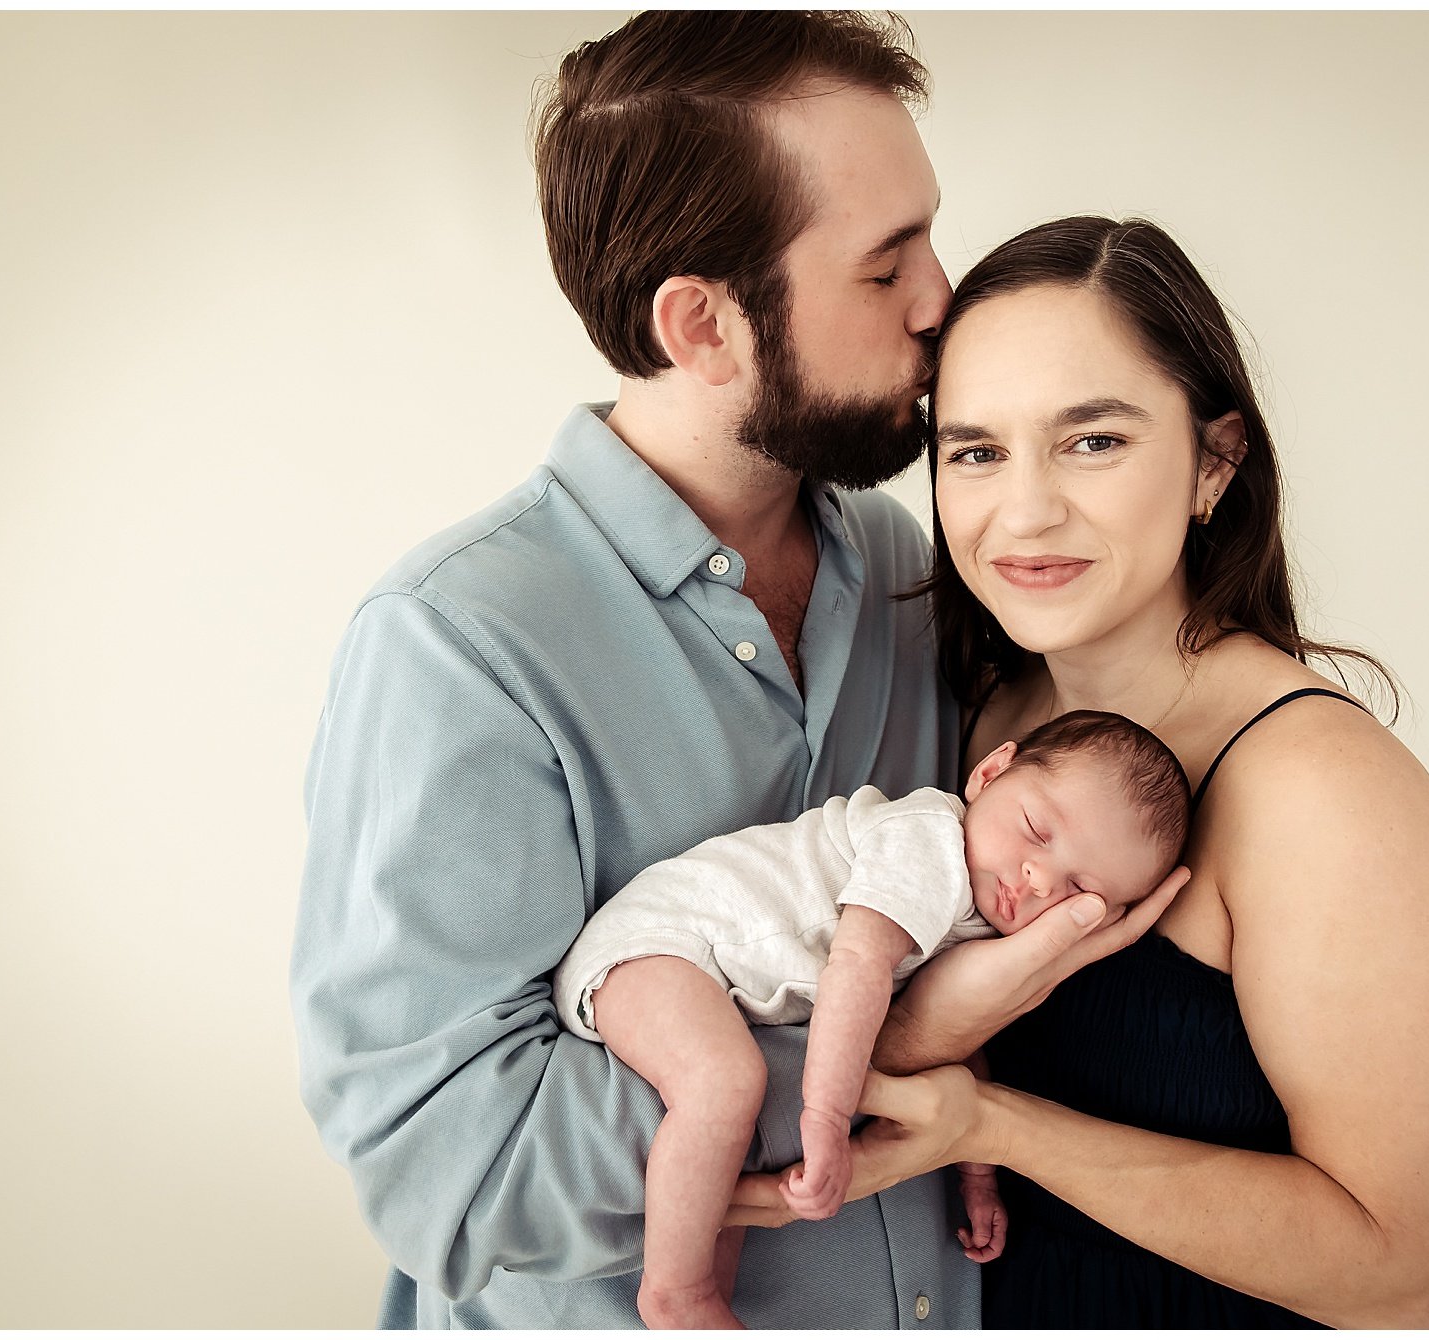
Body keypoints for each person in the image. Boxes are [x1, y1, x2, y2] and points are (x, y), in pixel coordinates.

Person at [290, 14, 1170, 1330]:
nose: (942, 299)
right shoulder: (458, 645)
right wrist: (889, 1039)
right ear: (703, 325)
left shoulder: (913, 572)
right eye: (885, 270)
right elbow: (451, 1177)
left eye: (929, 235)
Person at [731, 216, 1429, 1328]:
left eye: (1092, 441)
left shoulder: (1321, 792)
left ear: (1214, 461)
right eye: (976, 450)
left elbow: (1401, 1275)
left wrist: (992, 1130)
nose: (1025, 510)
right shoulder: (975, 709)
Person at [554, 710, 1191, 1327]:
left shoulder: (976, 919)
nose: (1039, 878)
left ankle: (699, 1303)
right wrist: (826, 1122)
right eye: (1035, 829)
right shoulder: (929, 838)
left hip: (709, 980)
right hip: (660, 945)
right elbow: (858, 964)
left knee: (727, 1194)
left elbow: (957, 1040)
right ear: (992, 773)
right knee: (723, 1084)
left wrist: (975, 1175)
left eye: (1080, 890)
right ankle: (672, 1294)